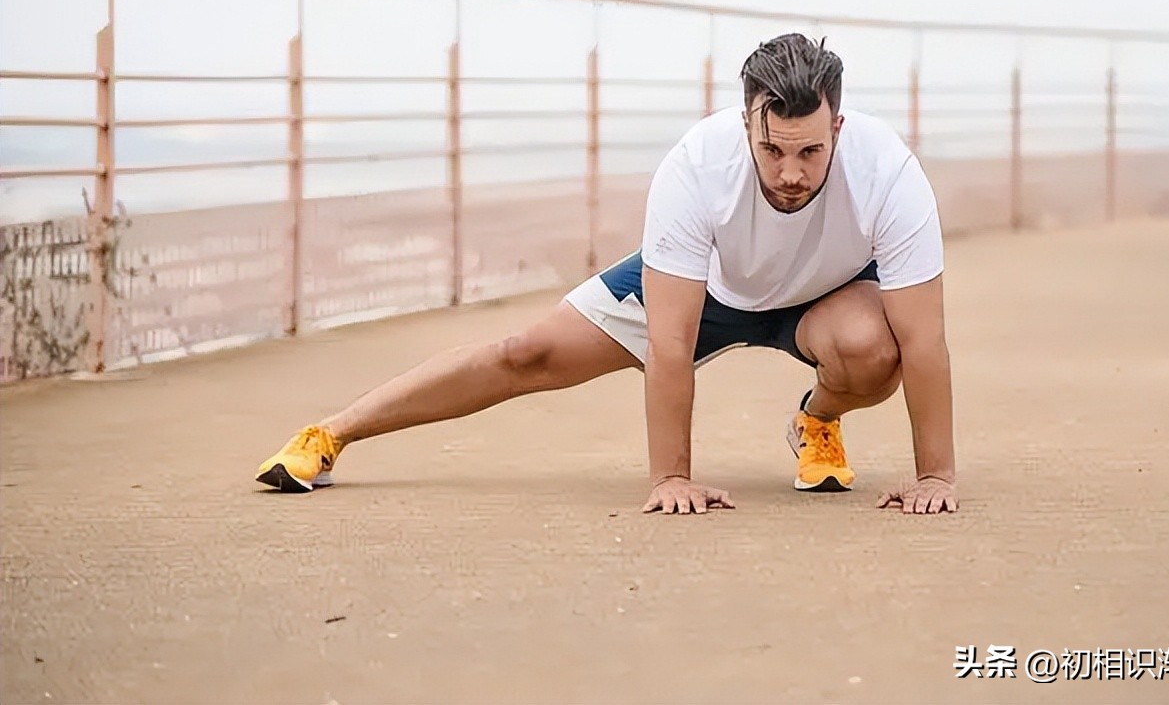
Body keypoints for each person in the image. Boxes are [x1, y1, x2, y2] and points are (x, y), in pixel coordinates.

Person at [255, 33, 957, 516]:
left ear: (837, 127)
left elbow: (925, 343)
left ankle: (818, 424)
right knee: (524, 353)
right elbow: (670, 346)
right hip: (708, 285)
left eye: (808, 151)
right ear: (746, 121)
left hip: (826, 297)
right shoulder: (696, 166)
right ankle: (332, 434)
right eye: (772, 150)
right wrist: (672, 478)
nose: (790, 173)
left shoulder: (887, 171)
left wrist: (935, 477)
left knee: (876, 348)